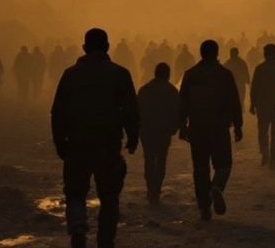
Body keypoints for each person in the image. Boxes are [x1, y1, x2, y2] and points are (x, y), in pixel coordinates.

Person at [51, 28, 139, 248]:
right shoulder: (120, 74)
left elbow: (58, 112)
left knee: (75, 193)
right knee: (109, 197)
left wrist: (59, 142)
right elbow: (131, 110)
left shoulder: (71, 74)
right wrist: (133, 136)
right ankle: (105, 239)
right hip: (108, 145)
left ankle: (78, 228)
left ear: (84, 48)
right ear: (108, 47)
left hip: (77, 144)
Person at [178, 39, 243, 221]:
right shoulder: (225, 74)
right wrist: (238, 125)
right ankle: (217, 187)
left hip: (197, 128)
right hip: (220, 128)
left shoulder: (191, 74)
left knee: (200, 168)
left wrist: (182, 126)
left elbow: (182, 103)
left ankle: (204, 207)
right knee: (223, 165)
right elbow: (234, 102)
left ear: (201, 53)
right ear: (216, 53)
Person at [137, 61, 180, 204]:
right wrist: (176, 127)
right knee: (161, 159)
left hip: (147, 130)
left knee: (149, 159)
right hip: (163, 130)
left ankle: (150, 187)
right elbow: (177, 111)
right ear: (167, 74)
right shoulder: (171, 90)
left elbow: (137, 111)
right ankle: (156, 189)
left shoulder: (144, 89)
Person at [250, 43, 275, 168]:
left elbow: (254, 87)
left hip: (263, 105)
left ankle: (265, 153)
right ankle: (274, 157)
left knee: (263, 130)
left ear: (266, 54)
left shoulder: (260, 68)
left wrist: (252, 104)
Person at [224, 46, 251, 111]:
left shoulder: (228, 63)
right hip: (239, 85)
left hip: (232, 86)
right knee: (240, 100)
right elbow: (246, 74)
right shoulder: (242, 62)